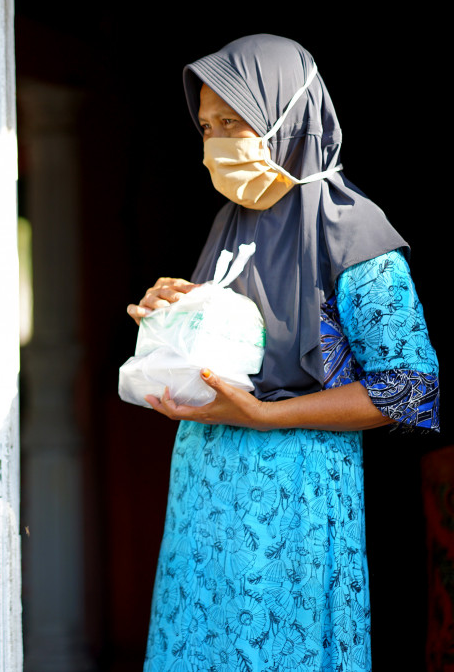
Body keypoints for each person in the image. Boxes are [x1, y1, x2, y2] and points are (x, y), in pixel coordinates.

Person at [128, 36, 440, 670]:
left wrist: (267, 416)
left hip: (291, 494)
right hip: (204, 486)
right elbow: (240, 343)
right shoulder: (230, 223)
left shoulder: (353, 234)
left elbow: (408, 388)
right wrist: (178, 313)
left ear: (285, 114)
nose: (216, 141)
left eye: (233, 122)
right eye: (207, 126)